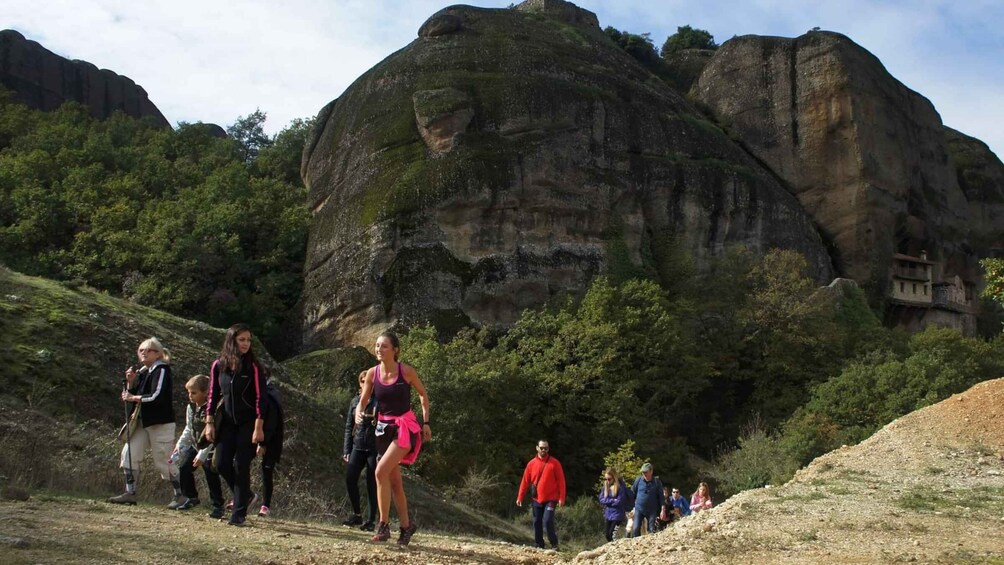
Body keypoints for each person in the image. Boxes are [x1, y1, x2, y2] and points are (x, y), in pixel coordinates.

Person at [354, 332, 431, 546]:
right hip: (382, 430)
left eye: (384, 346)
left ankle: (383, 525)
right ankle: (406, 526)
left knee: (379, 471)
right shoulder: (372, 373)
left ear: (395, 350)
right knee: (395, 482)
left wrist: (426, 423)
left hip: (404, 429)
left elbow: (423, 395)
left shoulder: (406, 371)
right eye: (377, 345)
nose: (379, 349)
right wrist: (358, 412)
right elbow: (363, 400)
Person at [204, 323, 268, 526]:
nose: (246, 344)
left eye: (248, 340)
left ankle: (239, 513)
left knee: (242, 466)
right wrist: (209, 422)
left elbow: (261, 398)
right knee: (221, 463)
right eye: (242, 339)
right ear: (232, 340)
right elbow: (213, 395)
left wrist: (259, 427)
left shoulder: (254, 367)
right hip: (227, 421)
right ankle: (246, 495)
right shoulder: (218, 365)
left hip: (249, 423)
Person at [108, 337, 176, 505]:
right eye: (141, 350)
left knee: (163, 459)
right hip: (142, 422)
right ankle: (130, 493)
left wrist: (134, 396)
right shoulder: (145, 372)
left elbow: (156, 396)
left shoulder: (162, 370)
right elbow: (131, 397)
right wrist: (130, 384)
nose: (144, 352)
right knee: (130, 453)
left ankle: (181, 495)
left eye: (149, 350)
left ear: (158, 354)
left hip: (160, 422)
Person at [168, 375, 224, 515]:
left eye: (194, 393)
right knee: (184, 468)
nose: (190, 396)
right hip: (195, 445)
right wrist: (180, 445)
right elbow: (189, 427)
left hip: (209, 447)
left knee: (209, 472)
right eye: (189, 392)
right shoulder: (191, 407)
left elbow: (213, 433)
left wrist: (202, 456)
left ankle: (218, 505)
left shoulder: (211, 408)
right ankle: (191, 497)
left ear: (205, 392)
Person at [343, 370, 378, 531]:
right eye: (363, 381)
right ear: (360, 383)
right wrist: (347, 449)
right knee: (350, 478)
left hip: (374, 448)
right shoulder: (355, 402)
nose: (366, 384)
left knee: (372, 483)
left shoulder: (379, 402)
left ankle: (371, 521)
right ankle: (357, 515)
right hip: (357, 445)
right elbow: (349, 426)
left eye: (369, 381)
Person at [516, 440, 567, 550]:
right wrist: (520, 496)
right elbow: (525, 481)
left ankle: (554, 544)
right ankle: (539, 545)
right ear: (537, 448)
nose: (544, 450)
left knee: (548, 521)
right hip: (537, 498)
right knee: (536, 522)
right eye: (542, 448)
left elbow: (561, 482)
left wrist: (561, 497)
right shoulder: (531, 464)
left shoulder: (555, 463)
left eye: (546, 448)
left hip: (551, 498)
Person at [256, 379, 284, 517]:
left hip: (270, 440)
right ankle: (241, 497)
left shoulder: (270, 395)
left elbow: (270, 423)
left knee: (267, 471)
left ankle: (265, 505)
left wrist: (262, 443)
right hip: (255, 435)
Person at [630, 462, 664, 537]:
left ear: (651, 471)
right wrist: (632, 508)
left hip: (652, 510)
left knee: (652, 530)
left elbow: (661, 497)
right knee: (635, 529)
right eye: (643, 472)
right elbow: (632, 494)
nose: (644, 474)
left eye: (646, 472)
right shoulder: (638, 480)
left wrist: (662, 509)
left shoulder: (656, 482)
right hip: (639, 509)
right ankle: (636, 545)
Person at [597, 467, 628, 542]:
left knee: (612, 534)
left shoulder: (620, 487)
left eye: (609, 479)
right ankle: (613, 549)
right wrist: (612, 500)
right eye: (606, 479)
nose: (607, 481)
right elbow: (601, 500)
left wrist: (608, 501)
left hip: (618, 515)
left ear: (614, 478)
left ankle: (617, 548)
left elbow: (620, 501)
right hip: (609, 514)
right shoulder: (605, 487)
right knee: (607, 535)